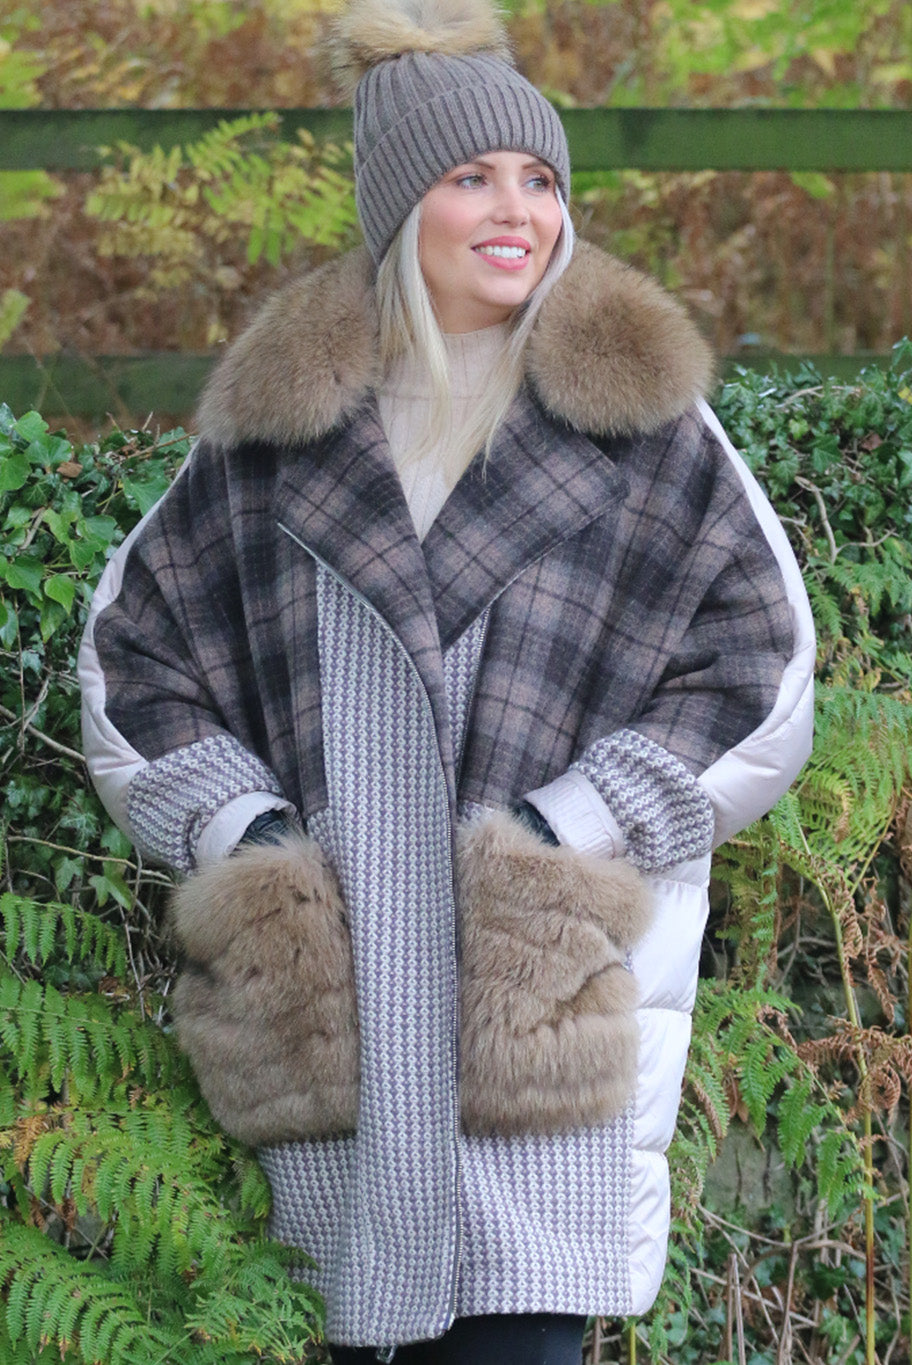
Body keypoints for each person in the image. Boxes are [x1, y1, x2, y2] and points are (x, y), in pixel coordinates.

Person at [78, 0, 815, 1360]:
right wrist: (247, 831)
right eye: (473, 176)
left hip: (542, 1038)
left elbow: (761, 675)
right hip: (337, 1043)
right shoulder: (275, 434)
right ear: (398, 203)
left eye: (540, 179)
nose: (518, 209)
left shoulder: (647, 427)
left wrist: (569, 825)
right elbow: (137, 661)